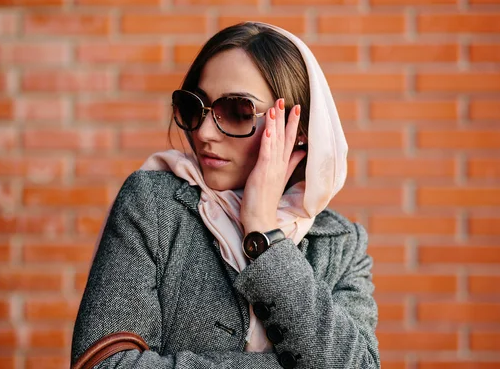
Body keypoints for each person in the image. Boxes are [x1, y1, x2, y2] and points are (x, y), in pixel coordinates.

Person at [71, 22, 380, 369]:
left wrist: (264, 235)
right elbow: (103, 365)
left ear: (300, 131)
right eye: (195, 106)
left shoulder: (341, 244)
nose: (203, 133)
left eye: (237, 111)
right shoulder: (152, 205)